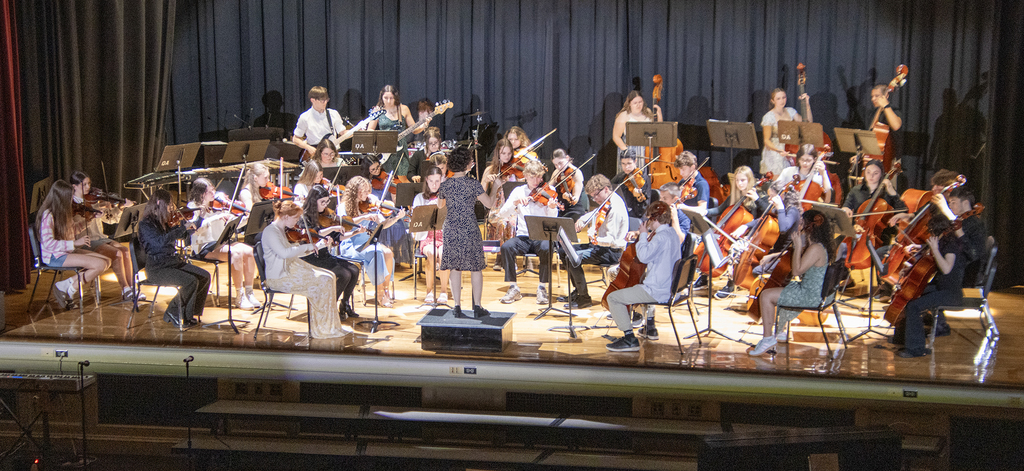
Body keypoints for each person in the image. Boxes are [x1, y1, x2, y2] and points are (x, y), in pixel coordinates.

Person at [748, 210, 835, 356]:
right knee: (778, 289)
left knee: (766, 295)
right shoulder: (817, 246)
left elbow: (796, 271)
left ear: (810, 226)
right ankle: (779, 331)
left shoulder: (815, 248)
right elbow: (796, 258)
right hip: (810, 291)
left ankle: (768, 338)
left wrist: (798, 246)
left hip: (809, 295)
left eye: (802, 222)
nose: (799, 224)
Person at [260, 200, 346, 338]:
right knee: (323, 281)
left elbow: (293, 252)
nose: (296, 222)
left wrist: (320, 245)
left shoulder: (281, 230)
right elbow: (285, 253)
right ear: (286, 217)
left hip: (288, 271)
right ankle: (322, 327)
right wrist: (307, 246)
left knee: (329, 277)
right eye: (295, 218)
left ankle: (331, 325)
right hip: (278, 278)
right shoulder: (270, 231)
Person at [603, 201, 681, 352]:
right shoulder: (672, 234)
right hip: (670, 287)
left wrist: (644, 234)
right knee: (638, 283)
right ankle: (647, 325)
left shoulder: (660, 237)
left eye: (649, 219)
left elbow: (644, 256)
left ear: (654, 219)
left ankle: (629, 338)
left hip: (657, 290)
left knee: (613, 298)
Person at [437, 146, 501, 317]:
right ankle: (477, 307)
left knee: (454, 268)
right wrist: (495, 187)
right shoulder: (472, 183)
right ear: (466, 164)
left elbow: (440, 205)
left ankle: (457, 306)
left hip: (451, 229)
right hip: (469, 229)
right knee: (475, 268)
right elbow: (488, 203)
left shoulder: (446, 185)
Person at [891, 214, 965, 358]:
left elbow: (946, 269)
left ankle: (916, 349)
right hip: (940, 287)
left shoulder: (951, 245)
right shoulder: (943, 241)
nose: (929, 234)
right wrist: (921, 248)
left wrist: (935, 249)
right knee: (909, 295)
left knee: (914, 306)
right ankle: (902, 339)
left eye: (931, 231)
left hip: (951, 294)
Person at [138, 189, 210, 328]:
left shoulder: (164, 221)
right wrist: (179, 230)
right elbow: (159, 242)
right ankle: (173, 311)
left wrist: (193, 225)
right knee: (190, 281)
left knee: (204, 276)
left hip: (171, 262)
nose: (171, 208)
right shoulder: (146, 225)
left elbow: (181, 237)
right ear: (159, 203)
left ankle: (188, 314)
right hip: (157, 268)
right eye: (169, 204)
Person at [36, 180, 112, 310]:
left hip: (67, 251)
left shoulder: (64, 212)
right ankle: (69, 288)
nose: (73, 199)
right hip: (55, 256)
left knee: (107, 261)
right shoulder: (48, 215)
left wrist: (90, 219)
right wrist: (74, 243)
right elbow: (48, 243)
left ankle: (67, 287)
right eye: (70, 197)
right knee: (99, 265)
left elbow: (73, 230)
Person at [186, 178, 260, 310]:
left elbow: (230, 226)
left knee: (250, 251)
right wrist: (215, 217)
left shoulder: (217, 205)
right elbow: (194, 229)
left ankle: (249, 292)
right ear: (201, 193)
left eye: (213, 189)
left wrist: (243, 220)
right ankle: (239, 296)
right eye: (210, 191)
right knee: (235, 253)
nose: (213, 193)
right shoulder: (193, 207)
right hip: (203, 246)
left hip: (221, 242)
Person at [494, 160, 559, 305]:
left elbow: (553, 218)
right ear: (525, 176)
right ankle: (513, 287)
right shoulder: (518, 191)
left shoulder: (549, 191)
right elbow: (503, 214)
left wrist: (552, 207)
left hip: (541, 236)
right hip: (523, 237)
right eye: (532, 177)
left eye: (539, 177)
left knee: (546, 247)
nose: (536, 181)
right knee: (506, 247)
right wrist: (515, 203)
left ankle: (542, 287)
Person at [561, 174, 629, 309]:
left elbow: (611, 240)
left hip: (612, 251)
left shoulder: (615, 208)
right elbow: (596, 213)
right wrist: (582, 219)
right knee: (565, 251)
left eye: (596, 195)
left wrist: (595, 238)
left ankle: (584, 298)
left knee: (572, 258)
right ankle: (578, 291)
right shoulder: (607, 201)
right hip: (600, 246)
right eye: (592, 196)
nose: (594, 199)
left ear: (605, 189)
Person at [69, 171, 138, 301]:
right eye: (84, 185)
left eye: (89, 183)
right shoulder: (71, 205)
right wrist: (90, 218)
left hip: (101, 238)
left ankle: (133, 288)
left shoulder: (94, 201)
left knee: (125, 250)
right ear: (74, 186)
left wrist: (121, 207)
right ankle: (125, 289)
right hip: (86, 242)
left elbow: (111, 219)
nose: (88, 187)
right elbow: (73, 230)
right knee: (117, 253)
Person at [300, 184, 364, 320]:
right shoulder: (304, 218)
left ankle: (344, 304)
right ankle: (327, 307)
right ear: (313, 202)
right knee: (344, 274)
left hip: (325, 256)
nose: (325, 205)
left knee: (354, 269)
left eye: (327, 202)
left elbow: (338, 237)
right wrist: (333, 228)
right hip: (311, 258)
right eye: (322, 202)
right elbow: (313, 235)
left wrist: (355, 232)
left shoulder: (326, 215)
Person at [338, 176, 403, 307]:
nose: (368, 194)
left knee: (388, 253)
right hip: (350, 243)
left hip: (367, 242)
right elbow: (343, 226)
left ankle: (386, 290)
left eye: (368, 190)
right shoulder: (343, 207)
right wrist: (364, 217)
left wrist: (396, 218)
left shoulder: (368, 204)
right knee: (377, 252)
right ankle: (379, 293)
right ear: (355, 191)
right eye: (365, 191)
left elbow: (383, 224)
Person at [368, 85, 429, 177]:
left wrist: (423, 126)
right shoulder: (377, 109)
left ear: (395, 97)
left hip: (401, 148)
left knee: (402, 177)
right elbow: (370, 130)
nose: (388, 101)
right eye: (386, 98)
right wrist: (380, 139)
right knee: (386, 177)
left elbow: (414, 129)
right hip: (384, 149)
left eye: (391, 98)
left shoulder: (403, 109)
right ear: (381, 97)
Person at [412, 166, 451, 304]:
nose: (434, 184)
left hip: (444, 237)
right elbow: (416, 223)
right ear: (426, 181)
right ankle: (429, 291)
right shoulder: (419, 198)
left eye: (437, 181)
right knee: (432, 253)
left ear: (442, 180)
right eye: (431, 181)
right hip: (427, 237)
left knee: (444, 253)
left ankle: (444, 292)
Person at [480, 138, 518, 270]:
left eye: (509, 154)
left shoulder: (516, 169)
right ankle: (504, 258)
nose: (506, 157)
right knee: (502, 221)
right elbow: (479, 193)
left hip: (514, 208)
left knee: (510, 222)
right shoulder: (491, 169)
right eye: (503, 154)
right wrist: (487, 180)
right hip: (497, 207)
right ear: (498, 154)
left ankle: (503, 258)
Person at [760, 88, 810, 177]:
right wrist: (778, 150)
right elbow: (767, 140)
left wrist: (807, 104)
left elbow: (807, 123)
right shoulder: (769, 116)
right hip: (775, 152)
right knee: (777, 182)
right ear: (773, 101)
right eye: (778, 98)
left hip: (790, 149)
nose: (782, 101)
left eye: (784, 97)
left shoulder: (791, 111)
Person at [292, 86, 352, 157]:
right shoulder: (305, 117)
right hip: (316, 153)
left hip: (333, 152)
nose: (325, 102)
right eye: (322, 101)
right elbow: (295, 139)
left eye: (326, 100)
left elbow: (342, 132)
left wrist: (356, 132)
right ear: (312, 100)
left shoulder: (333, 113)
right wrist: (308, 148)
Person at [612, 90, 663, 160]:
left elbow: (658, 129)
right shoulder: (623, 115)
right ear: (629, 103)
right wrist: (626, 151)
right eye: (635, 103)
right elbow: (616, 136)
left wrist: (659, 114)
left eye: (640, 102)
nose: (638, 105)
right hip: (630, 150)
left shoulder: (647, 111)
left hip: (647, 151)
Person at [609, 151, 648, 219]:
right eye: (623, 163)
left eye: (629, 163)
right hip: (622, 212)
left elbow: (644, 207)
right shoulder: (621, 176)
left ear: (635, 161)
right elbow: (609, 187)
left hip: (636, 215)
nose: (626, 167)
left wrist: (639, 198)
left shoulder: (643, 178)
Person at [549, 149, 585, 221]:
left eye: (560, 163)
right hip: (560, 208)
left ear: (567, 158)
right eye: (555, 165)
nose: (558, 167)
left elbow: (575, 199)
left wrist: (569, 198)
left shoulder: (576, 173)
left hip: (573, 210)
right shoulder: (556, 172)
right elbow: (549, 188)